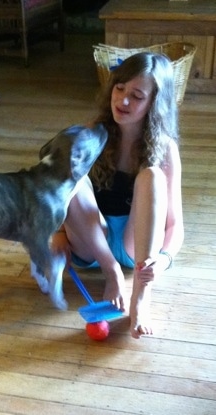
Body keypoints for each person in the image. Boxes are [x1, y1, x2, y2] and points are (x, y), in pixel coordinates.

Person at [52, 52, 184, 339]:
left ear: (154, 104)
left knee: (151, 176)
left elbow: (175, 225)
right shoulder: (91, 133)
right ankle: (112, 272)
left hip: (135, 245)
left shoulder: (165, 148)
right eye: (119, 88)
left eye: (136, 96)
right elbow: (60, 193)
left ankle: (140, 297)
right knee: (71, 178)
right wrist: (59, 232)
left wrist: (163, 260)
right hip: (91, 241)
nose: (122, 100)